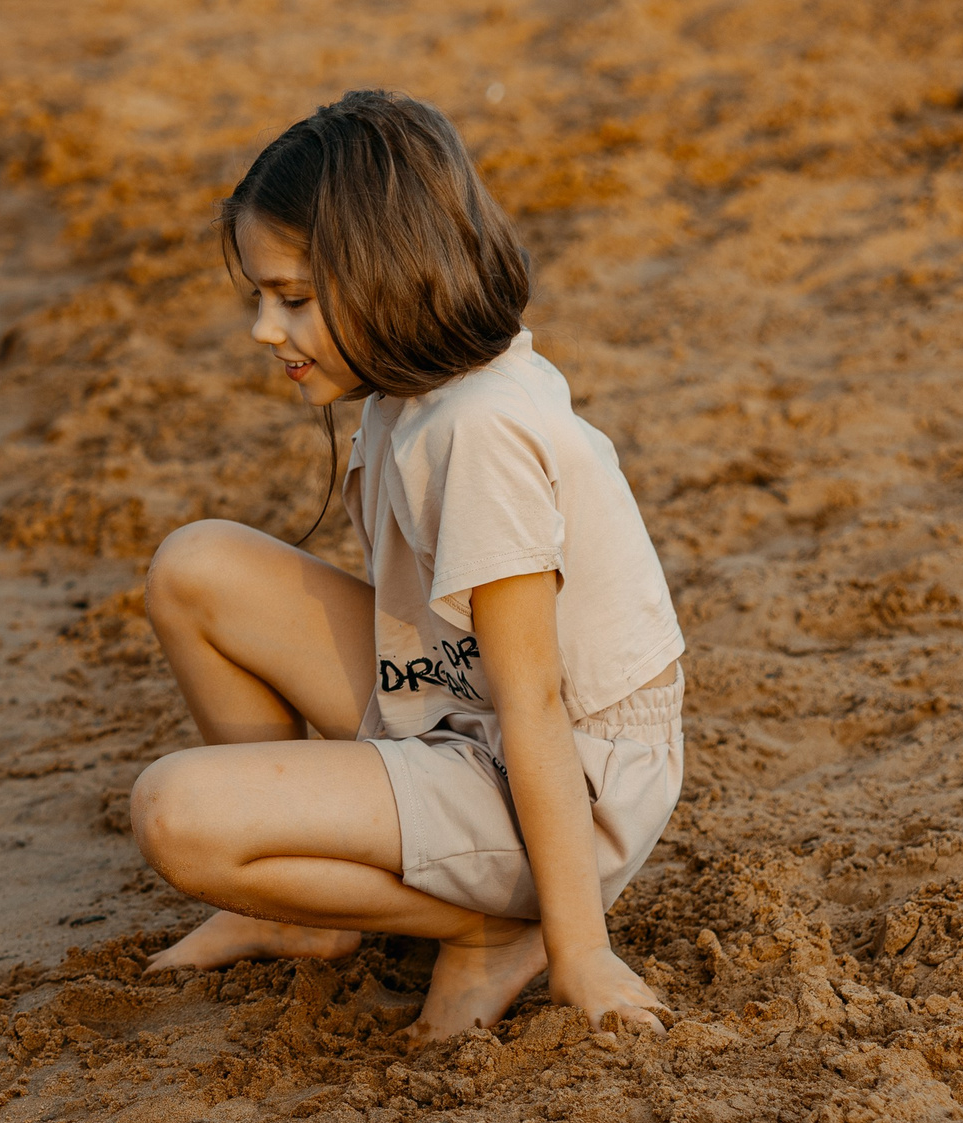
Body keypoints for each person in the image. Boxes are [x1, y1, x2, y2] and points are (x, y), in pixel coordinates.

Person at [130, 90, 686, 1044]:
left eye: (294, 301)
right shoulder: (413, 384)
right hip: (451, 705)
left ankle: (497, 929)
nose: (265, 331)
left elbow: (536, 703)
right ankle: (297, 910)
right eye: (262, 298)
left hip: (562, 781)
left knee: (175, 813)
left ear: (386, 275)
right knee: (196, 566)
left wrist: (581, 947)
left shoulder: (483, 435)